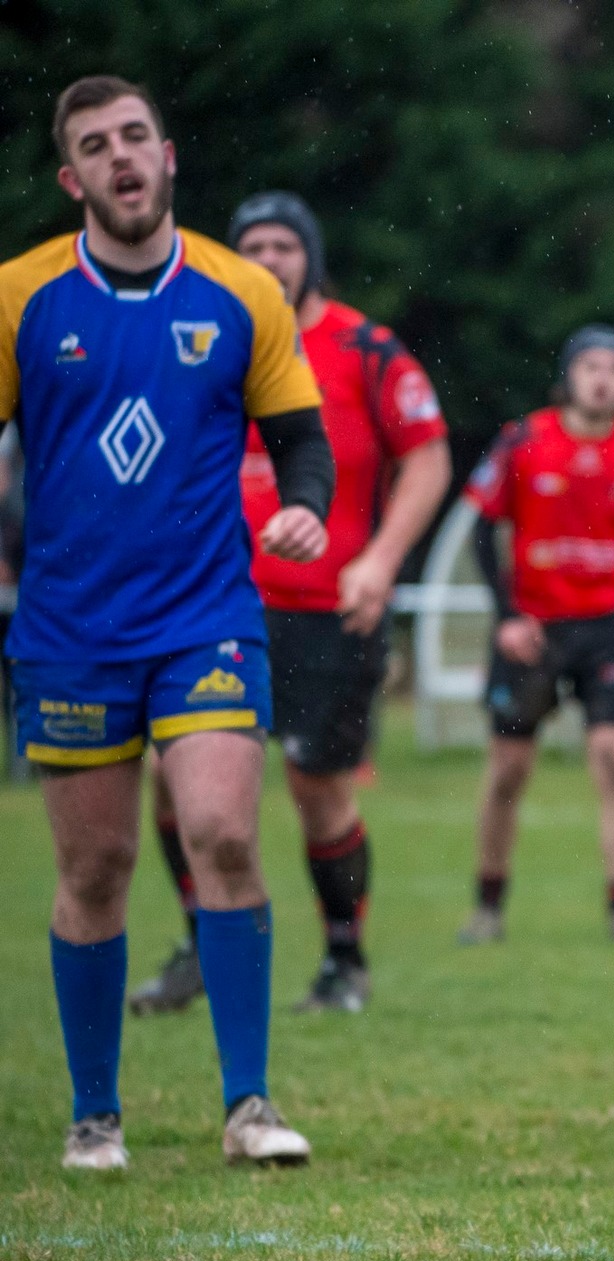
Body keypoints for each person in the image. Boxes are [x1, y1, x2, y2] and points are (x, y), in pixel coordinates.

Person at [3, 76, 334, 1170]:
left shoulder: (242, 292)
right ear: (72, 177)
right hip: (69, 628)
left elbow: (301, 440)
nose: (121, 157)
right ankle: (95, 1113)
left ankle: (249, 1106)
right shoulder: (20, 296)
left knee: (226, 834)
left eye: (135, 136)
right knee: (94, 870)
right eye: (96, 146)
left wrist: (303, 508)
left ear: (170, 154)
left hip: (207, 616)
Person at [129, 191, 452, 1017]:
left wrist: (381, 561)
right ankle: (202, 941)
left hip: (328, 610)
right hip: (210, 606)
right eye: (252, 246)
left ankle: (344, 960)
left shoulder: (366, 349)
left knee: (318, 790)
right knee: (172, 784)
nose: (268, 260)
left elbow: (427, 457)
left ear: (310, 254)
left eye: (283, 245)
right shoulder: (198, 340)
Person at [458, 326, 614, 945]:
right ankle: (488, 906)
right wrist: (507, 618)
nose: (602, 378)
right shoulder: (524, 442)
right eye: (590, 367)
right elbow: (480, 532)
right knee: (508, 771)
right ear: (569, 376)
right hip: (535, 630)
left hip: (609, 630)